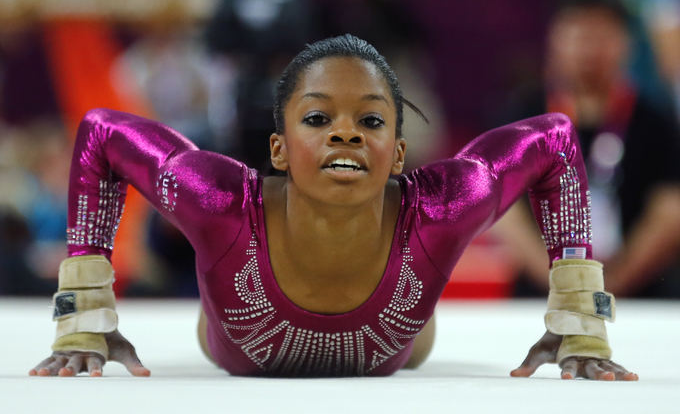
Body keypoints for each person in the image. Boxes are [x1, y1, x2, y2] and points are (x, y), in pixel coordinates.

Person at [29, 35, 637, 380]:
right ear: (279, 149)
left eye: (369, 120)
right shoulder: (218, 203)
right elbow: (104, 134)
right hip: (229, 336)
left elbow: (555, 141)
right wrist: (84, 315)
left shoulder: (444, 208)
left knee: (419, 330)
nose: (344, 134)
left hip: (405, 337)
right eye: (317, 118)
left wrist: (578, 321)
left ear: (398, 154)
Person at [499, 0, 680, 298]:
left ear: (627, 43)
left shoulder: (656, 121)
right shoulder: (522, 116)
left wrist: (617, 281)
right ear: (554, 41)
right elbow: (503, 207)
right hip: (542, 296)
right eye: (578, 35)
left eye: (602, 36)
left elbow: (670, 209)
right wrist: (557, 281)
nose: (589, 49)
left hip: (639, 296)